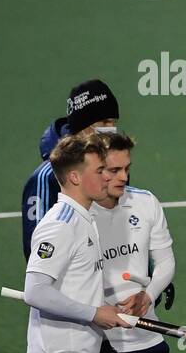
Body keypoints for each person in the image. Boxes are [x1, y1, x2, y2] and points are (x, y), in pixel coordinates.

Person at [23, 136, 132, 353]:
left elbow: (76, 290)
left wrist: (104, 337)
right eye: (99, 170)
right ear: (74, 176)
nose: (107, 176)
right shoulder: (61, 225)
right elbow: (35, 291)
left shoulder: (85, 219)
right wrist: (96, 313)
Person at [92, 132, 179, 353]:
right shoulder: (77, 216)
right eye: (114, 170)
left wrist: (148, 295)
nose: (124, 177)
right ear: (94, 169)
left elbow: (166, 261)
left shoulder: (145, 203)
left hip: (146, 339)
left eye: (127, 168)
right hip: (98, 347)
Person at [23, 79, 119, 259]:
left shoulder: (113, 169)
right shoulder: (46, 178)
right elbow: (36, 250)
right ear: (83, 127)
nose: (111, 130)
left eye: (112, 122)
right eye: (104, 123)